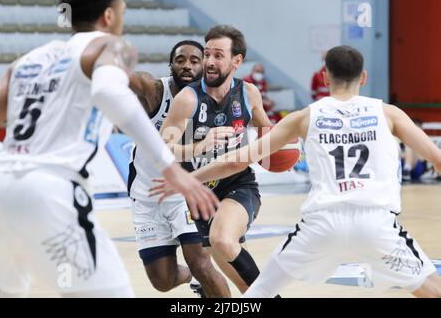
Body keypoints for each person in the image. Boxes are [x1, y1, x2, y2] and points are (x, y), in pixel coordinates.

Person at [154, 45, 441, 298]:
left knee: (259, 293)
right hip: (377, 224)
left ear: (325, 77)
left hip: (321, 226)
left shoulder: (305, 117)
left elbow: (237, 160)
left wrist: (187, 180)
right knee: (432, 290)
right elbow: (436, 158)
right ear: (363, 78)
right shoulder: (389, 114)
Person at [0, 0, 218, 297]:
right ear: (110, 15)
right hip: (51, 189)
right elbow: (108, 91)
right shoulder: (109, 46)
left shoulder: (30, 59)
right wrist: (170, 168)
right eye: (123, 10)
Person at [158, 25, 273, 294]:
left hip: (237, 184)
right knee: (229, 277)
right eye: (207, 54)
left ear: (237, 60)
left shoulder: (249, 94)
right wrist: (200, 146)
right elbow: (162, 148)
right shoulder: (188, 99)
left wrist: (275, 151)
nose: (209, 61)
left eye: (217, 55)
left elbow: (268, 135)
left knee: (222, 239)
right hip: (196, 194)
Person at [127, 40, 230, 297]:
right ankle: (194, 279)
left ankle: (205, 280)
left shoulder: (212, 97)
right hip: (148, 193)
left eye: (194, 60)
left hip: (185, 193)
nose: (187, 65)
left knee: (202, 263)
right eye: (180, 60)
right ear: (171, 64)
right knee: (163, 280)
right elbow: (133, 79)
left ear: (204, 65)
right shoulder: (155, 91)